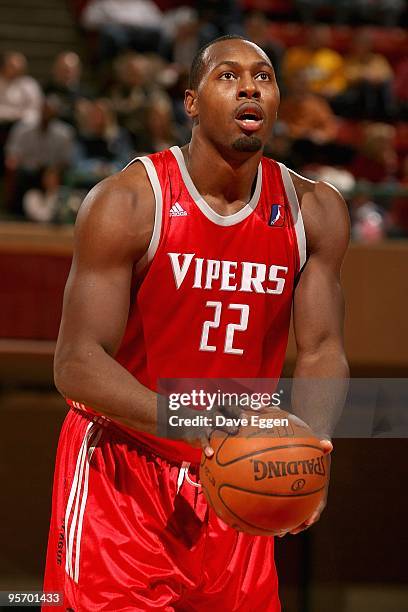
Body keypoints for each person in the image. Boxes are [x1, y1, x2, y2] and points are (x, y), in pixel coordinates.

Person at [43, 36, 349, 611]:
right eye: (228, 76)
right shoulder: (130, 202)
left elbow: (322, 347)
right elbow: (76, 364)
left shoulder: (315, 211)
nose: (250, 86)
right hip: (124, 472)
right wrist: (191, 419)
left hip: (234, 475)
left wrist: (310, 444)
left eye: (263, 76)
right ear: (191, 101)